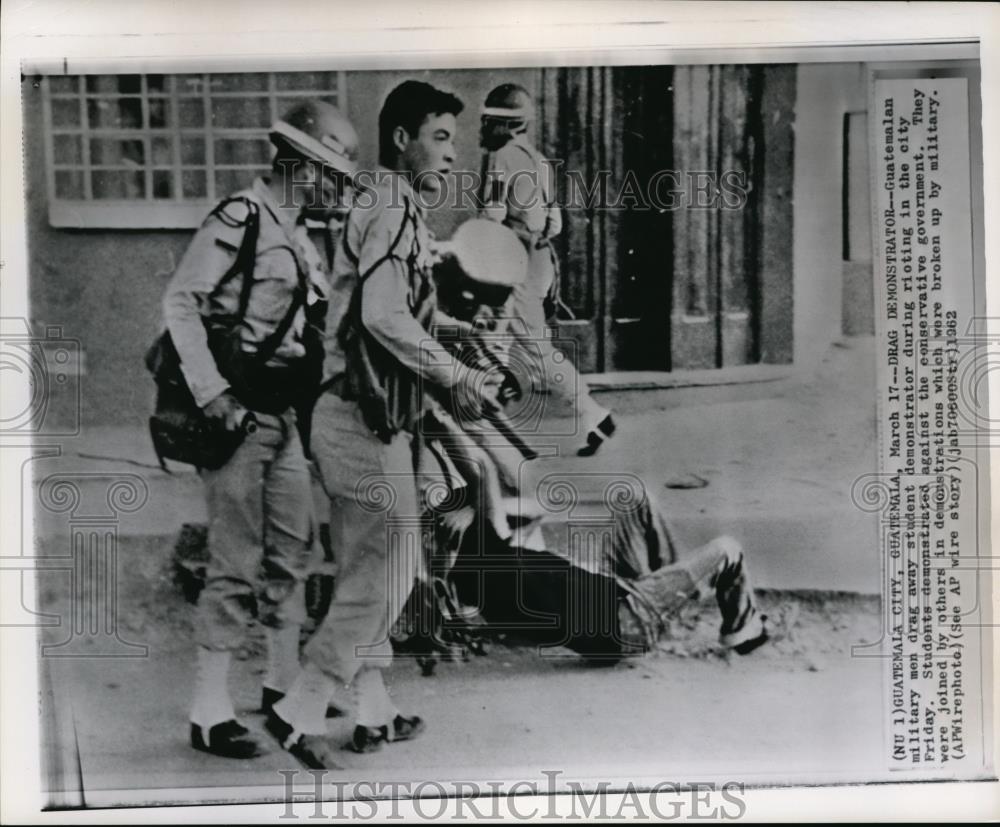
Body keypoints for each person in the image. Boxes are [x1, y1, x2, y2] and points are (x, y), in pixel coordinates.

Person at [265, 81, 499, 769]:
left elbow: (387, 304)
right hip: (361, 418)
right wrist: (458, 375)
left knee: (378, 568)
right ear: (402, 140)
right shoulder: (392, 200)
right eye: (440, 138)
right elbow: (380, 317)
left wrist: (457, 329)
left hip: (360, 415)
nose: (452, 155)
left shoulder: (386, 203)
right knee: (388, 571)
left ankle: (373, 713)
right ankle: (300, 707)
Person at [161, 99, 358, 760]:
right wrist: (211, 391)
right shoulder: (240, 218)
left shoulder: (301, 237)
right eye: (327, 172)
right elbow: (181, 300)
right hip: (236, 414)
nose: (332, 187)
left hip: (284, 416)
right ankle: (208, 709)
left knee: (294, 550)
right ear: (297, 162)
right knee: (235, 562)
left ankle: (279, 687)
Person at [478, 83, 616, 456]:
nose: (483, 127)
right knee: (497, 343)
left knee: (533, 350)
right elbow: (553, 223)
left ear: (505, 123)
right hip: (539, 262)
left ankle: (594, 413)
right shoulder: (539, 160)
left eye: (489, 120)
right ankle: (496, 431)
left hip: (514, 264)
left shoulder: (502, 158)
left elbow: (492, 217)